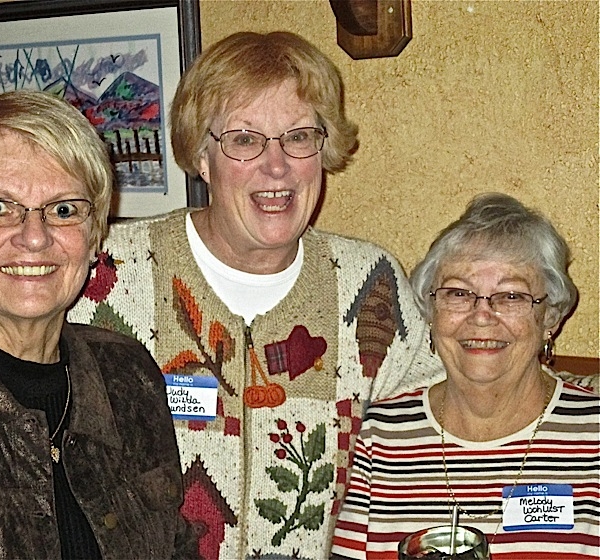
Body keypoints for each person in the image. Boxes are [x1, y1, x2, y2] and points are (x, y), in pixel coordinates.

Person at [67, 31, 444, 559]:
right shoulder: (107, 271)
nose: (277, 166)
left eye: (298, 137)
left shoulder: (369, 280)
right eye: (245, 140)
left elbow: (431, 446)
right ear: (202, 156)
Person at [0, 91, 198, 559]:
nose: (34, 236)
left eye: (64, 209)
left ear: (94, 238)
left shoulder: (126, 374)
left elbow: (175, 547)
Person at [331, 193, 599, 559]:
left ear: (550, 317)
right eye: (458, 293)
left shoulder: (593, 434)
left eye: (511, 296)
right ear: (430, 310)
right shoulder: (378, 436)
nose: (482, 315)